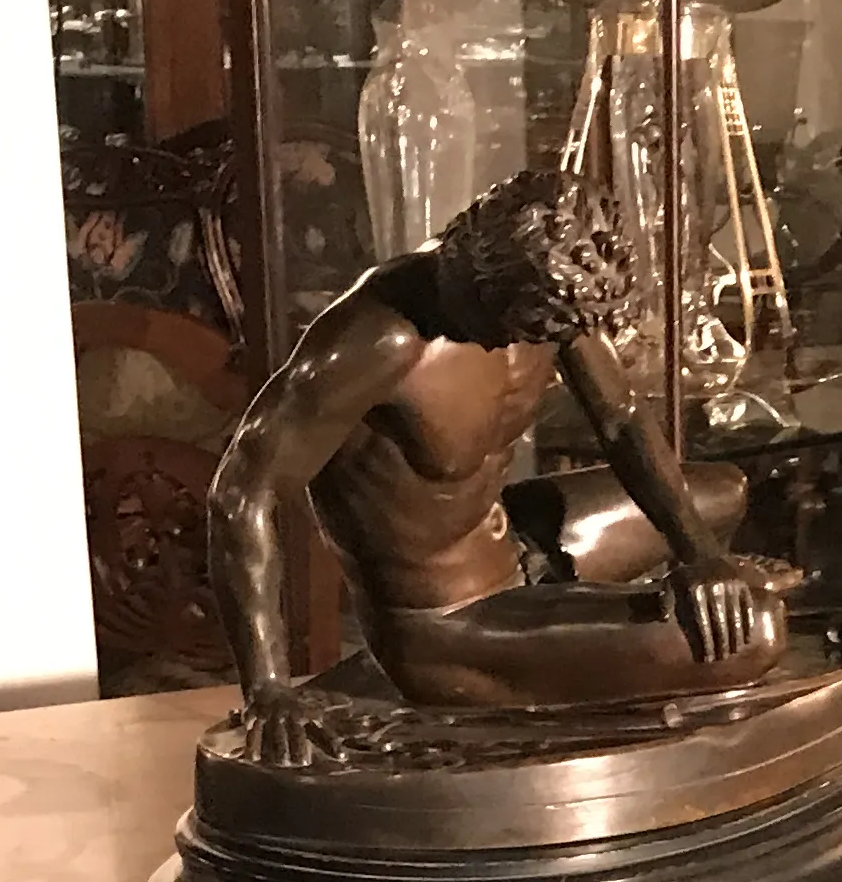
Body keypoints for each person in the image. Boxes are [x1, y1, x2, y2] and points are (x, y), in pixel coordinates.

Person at [209, 166, 790, 716]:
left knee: (722, 494)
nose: (538, 346)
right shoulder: (379, 341)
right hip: (448, 624)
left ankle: (623, 617)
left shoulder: (552, 289)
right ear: (483, 300)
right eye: (526, 331)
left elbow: (622, 418)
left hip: (518, 545)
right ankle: (602, 638)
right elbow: (240, 494)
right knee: (759, 634)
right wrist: (268, 689)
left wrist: (700, 555)